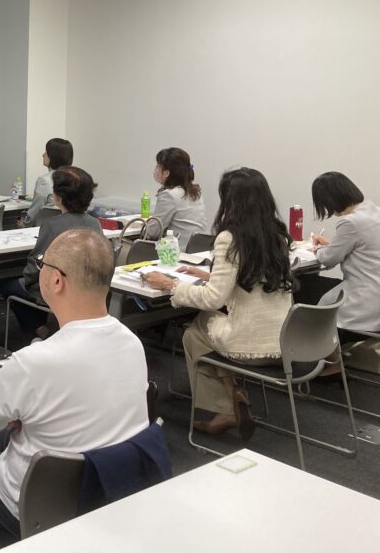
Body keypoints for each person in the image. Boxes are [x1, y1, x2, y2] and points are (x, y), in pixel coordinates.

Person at [0, 229, 149, 553]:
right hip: (108, 486)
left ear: (57, 281)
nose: (39, 269)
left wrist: (15, 414)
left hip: (39, 503)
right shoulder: (132, 344)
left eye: (42, 263)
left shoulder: (35, 361)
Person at [145, 167, 293, 437]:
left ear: (231, 201)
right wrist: (212, 275)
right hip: (286, 342)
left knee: (194, 332)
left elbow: (213, 298)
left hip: (249, 345)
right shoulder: (277, 236)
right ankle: (231, 392)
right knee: (204, 329)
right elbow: (253, 278)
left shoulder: (230, 238)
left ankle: (225, 405)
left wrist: (171, 285)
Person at [5, 166, 103, 337]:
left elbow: (36, 265)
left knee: (9, 287)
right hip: (87, 289)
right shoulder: (95, 223)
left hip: (60, 291)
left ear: (58, 197)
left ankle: (39, 330)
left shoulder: (52, 225)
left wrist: (28, 278)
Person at [309, 172, 380, 333]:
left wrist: (318, 249)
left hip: (363, 307)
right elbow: (365, 249)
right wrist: (331, 245)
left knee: (306, 288)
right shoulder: (375, 212)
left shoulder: (351, 222)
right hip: (376, 299)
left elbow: (328, 259)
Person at [150, 147, 207, 248]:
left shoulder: (169, 195)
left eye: (158, 166)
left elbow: (152, 232)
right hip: (198, 250)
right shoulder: (196, 193)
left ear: (167, 173)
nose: (156, 169)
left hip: (175, 252)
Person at [20, 138, 72, 227]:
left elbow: (35, 210)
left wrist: (24, 223)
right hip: (69, 228)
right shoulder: (75, 177)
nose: (43, 155)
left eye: (46, 152)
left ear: (53, 156)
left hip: (46, 229)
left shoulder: (44, 180)